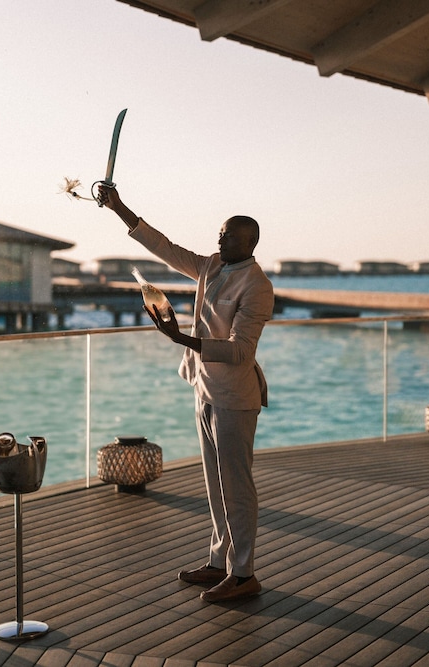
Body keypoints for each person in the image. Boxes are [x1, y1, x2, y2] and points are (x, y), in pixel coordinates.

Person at [98, 184, 274, 603]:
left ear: (249, 243)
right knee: (214, 484)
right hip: (204, 388)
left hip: (235, 397)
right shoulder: (212, 266)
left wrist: (181, 338)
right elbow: (164, 248)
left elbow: (240, 351)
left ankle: (244, 573)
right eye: (220, 234)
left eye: (228, 236)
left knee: (237, 487)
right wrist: (119, 207)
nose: (219, 240)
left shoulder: (257, 286)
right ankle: (219, 560)